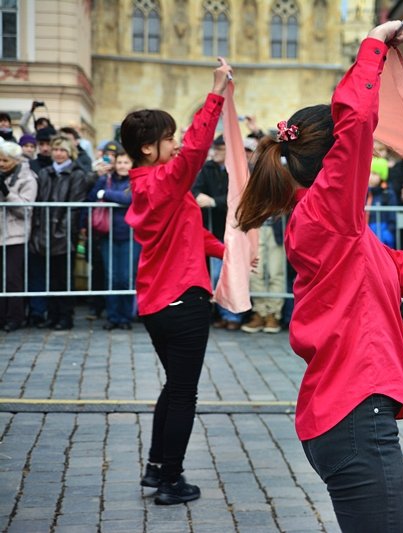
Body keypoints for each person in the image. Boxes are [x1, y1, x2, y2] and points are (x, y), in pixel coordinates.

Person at [236, 21, 403, 531]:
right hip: (354, 422)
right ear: (331, 166)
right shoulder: (325, 217)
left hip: (356, 421)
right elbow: (357, 124)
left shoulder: (340, 227)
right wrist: (373, 46)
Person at [119, 58, 232, 505]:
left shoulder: (149, 186)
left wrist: (229, 253)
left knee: (173, 386)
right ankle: (171, 481)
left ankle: (154, 469)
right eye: (167, 139)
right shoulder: (162, 182)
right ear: (148, 148)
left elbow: (192, 233)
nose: (175, 144)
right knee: (184, 392)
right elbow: (197, 149)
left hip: (156, 304)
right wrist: (216, 93)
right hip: (182, 302)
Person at [29, 135, 89, 330]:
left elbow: (74, 206)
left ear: (69, 152)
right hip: (43, 231)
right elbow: (39, 202)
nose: (58, 153)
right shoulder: (45, 173)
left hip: (63, 233)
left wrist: (64, 231)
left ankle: (65, 316)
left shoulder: (76, 174)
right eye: (56, 150)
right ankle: (52, 315)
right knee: (49, 277)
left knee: (63, 278)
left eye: (62, 150)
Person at [192, 135, 241, 330]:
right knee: (216, 275)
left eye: (221, 148)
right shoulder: (208, 168)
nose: (217, 152)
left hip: (233, 227)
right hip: (213, 229)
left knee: (231, 274)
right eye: (216, 148)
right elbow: (194, 190)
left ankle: (233, 316)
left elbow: (239, 195)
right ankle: (221, 313)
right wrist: (200, 197)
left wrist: (214, 201)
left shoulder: (236, 169)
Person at [88, 151, 138, 330]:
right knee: (111, 278)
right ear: (114, 164)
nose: (123, 165)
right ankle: (113, 316)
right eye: (120, 162)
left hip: (130, 236)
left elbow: (129, 198)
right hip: (107, 235)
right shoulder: (105, 180)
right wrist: (102, 190)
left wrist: (105, 194)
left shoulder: (136, 180)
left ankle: (125, 317)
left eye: (127, 162)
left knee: (126, 278)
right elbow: (93, 196)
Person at [0, 140, 37, 331]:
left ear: (14, 160)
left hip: (15, 235)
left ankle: (15, 316)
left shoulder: (27, 178)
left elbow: (25, 210)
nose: (1, 164)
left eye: (4, 160)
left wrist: (7, 192)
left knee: (12, 278)